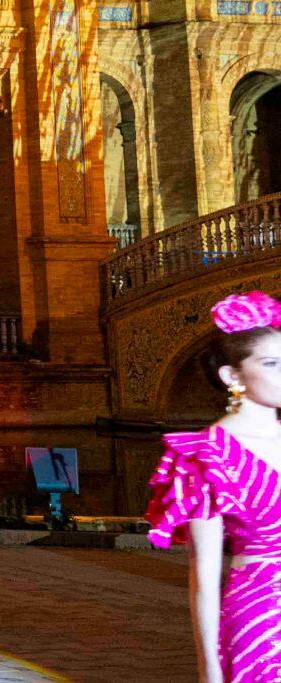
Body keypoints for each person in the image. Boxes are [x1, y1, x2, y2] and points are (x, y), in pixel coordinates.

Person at [148, 290, 281, 682]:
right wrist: (210, 671)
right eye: (272, 364)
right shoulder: (206, 456)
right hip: (265, 621)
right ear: (232, 376)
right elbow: (203, 576)